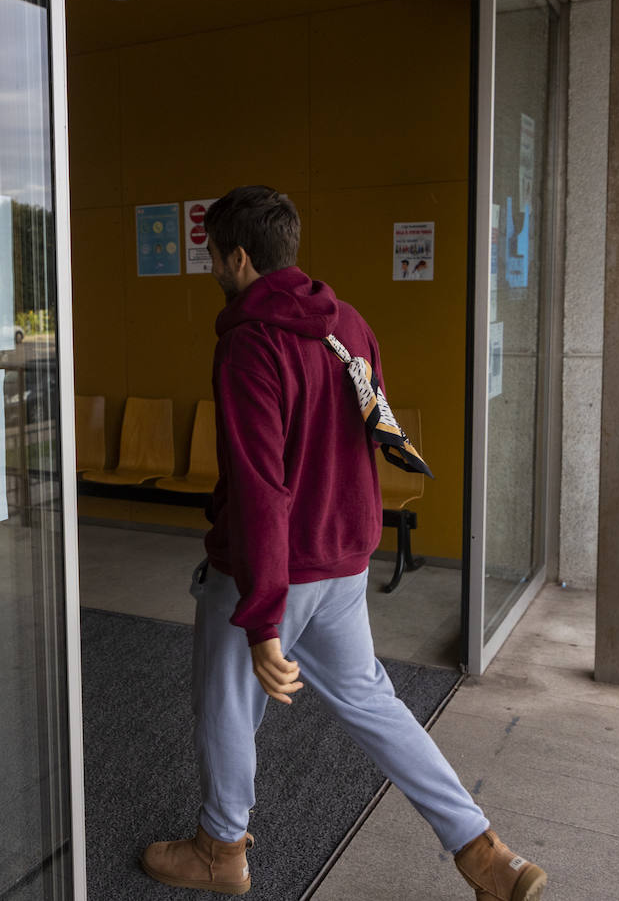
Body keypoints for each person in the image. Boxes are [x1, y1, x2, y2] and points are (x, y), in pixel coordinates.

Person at [139, 186, 547, 901]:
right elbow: (371, 431)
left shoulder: (249, 343)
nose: (209, 268)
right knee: (372, 701)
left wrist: (263, 617)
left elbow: (261, 486)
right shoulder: (347, 324)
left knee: (228, 702)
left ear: (239, 256)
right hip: (342, 561)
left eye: (211, 255)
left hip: (272, 568)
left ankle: (219, 848)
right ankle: (483, 852)